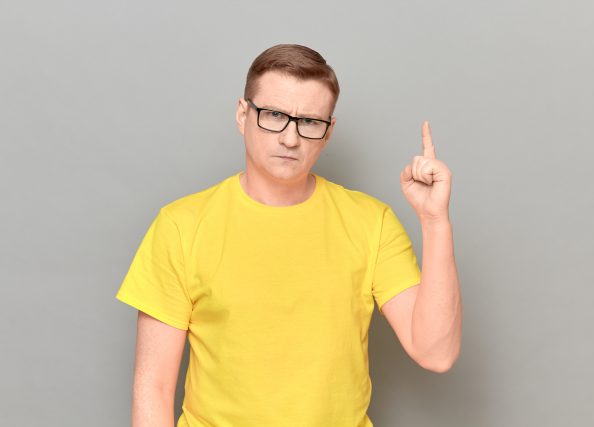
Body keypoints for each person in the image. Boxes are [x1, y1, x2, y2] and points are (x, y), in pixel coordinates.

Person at [115, 43, 462, 427]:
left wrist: (435, 221)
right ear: (243, 115)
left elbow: (436, 353)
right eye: (274, 115)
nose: (290, 138)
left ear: (328, 132)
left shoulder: (371, 222)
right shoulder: (180, 226)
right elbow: (154, 388)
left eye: (309, 122)